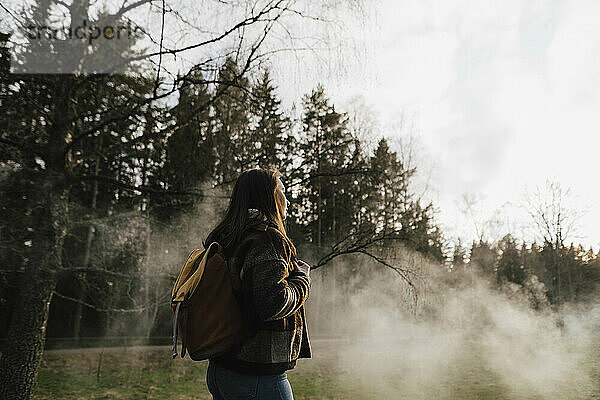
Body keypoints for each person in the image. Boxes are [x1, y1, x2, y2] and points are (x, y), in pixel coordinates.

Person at [204, 168, 312, 400]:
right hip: (257, 376)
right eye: (282, 191)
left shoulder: (227, 236)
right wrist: (302, 279)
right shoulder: (267, 237)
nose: (288, 200)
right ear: (269, 197)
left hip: (221, 370)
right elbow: (272, 303)